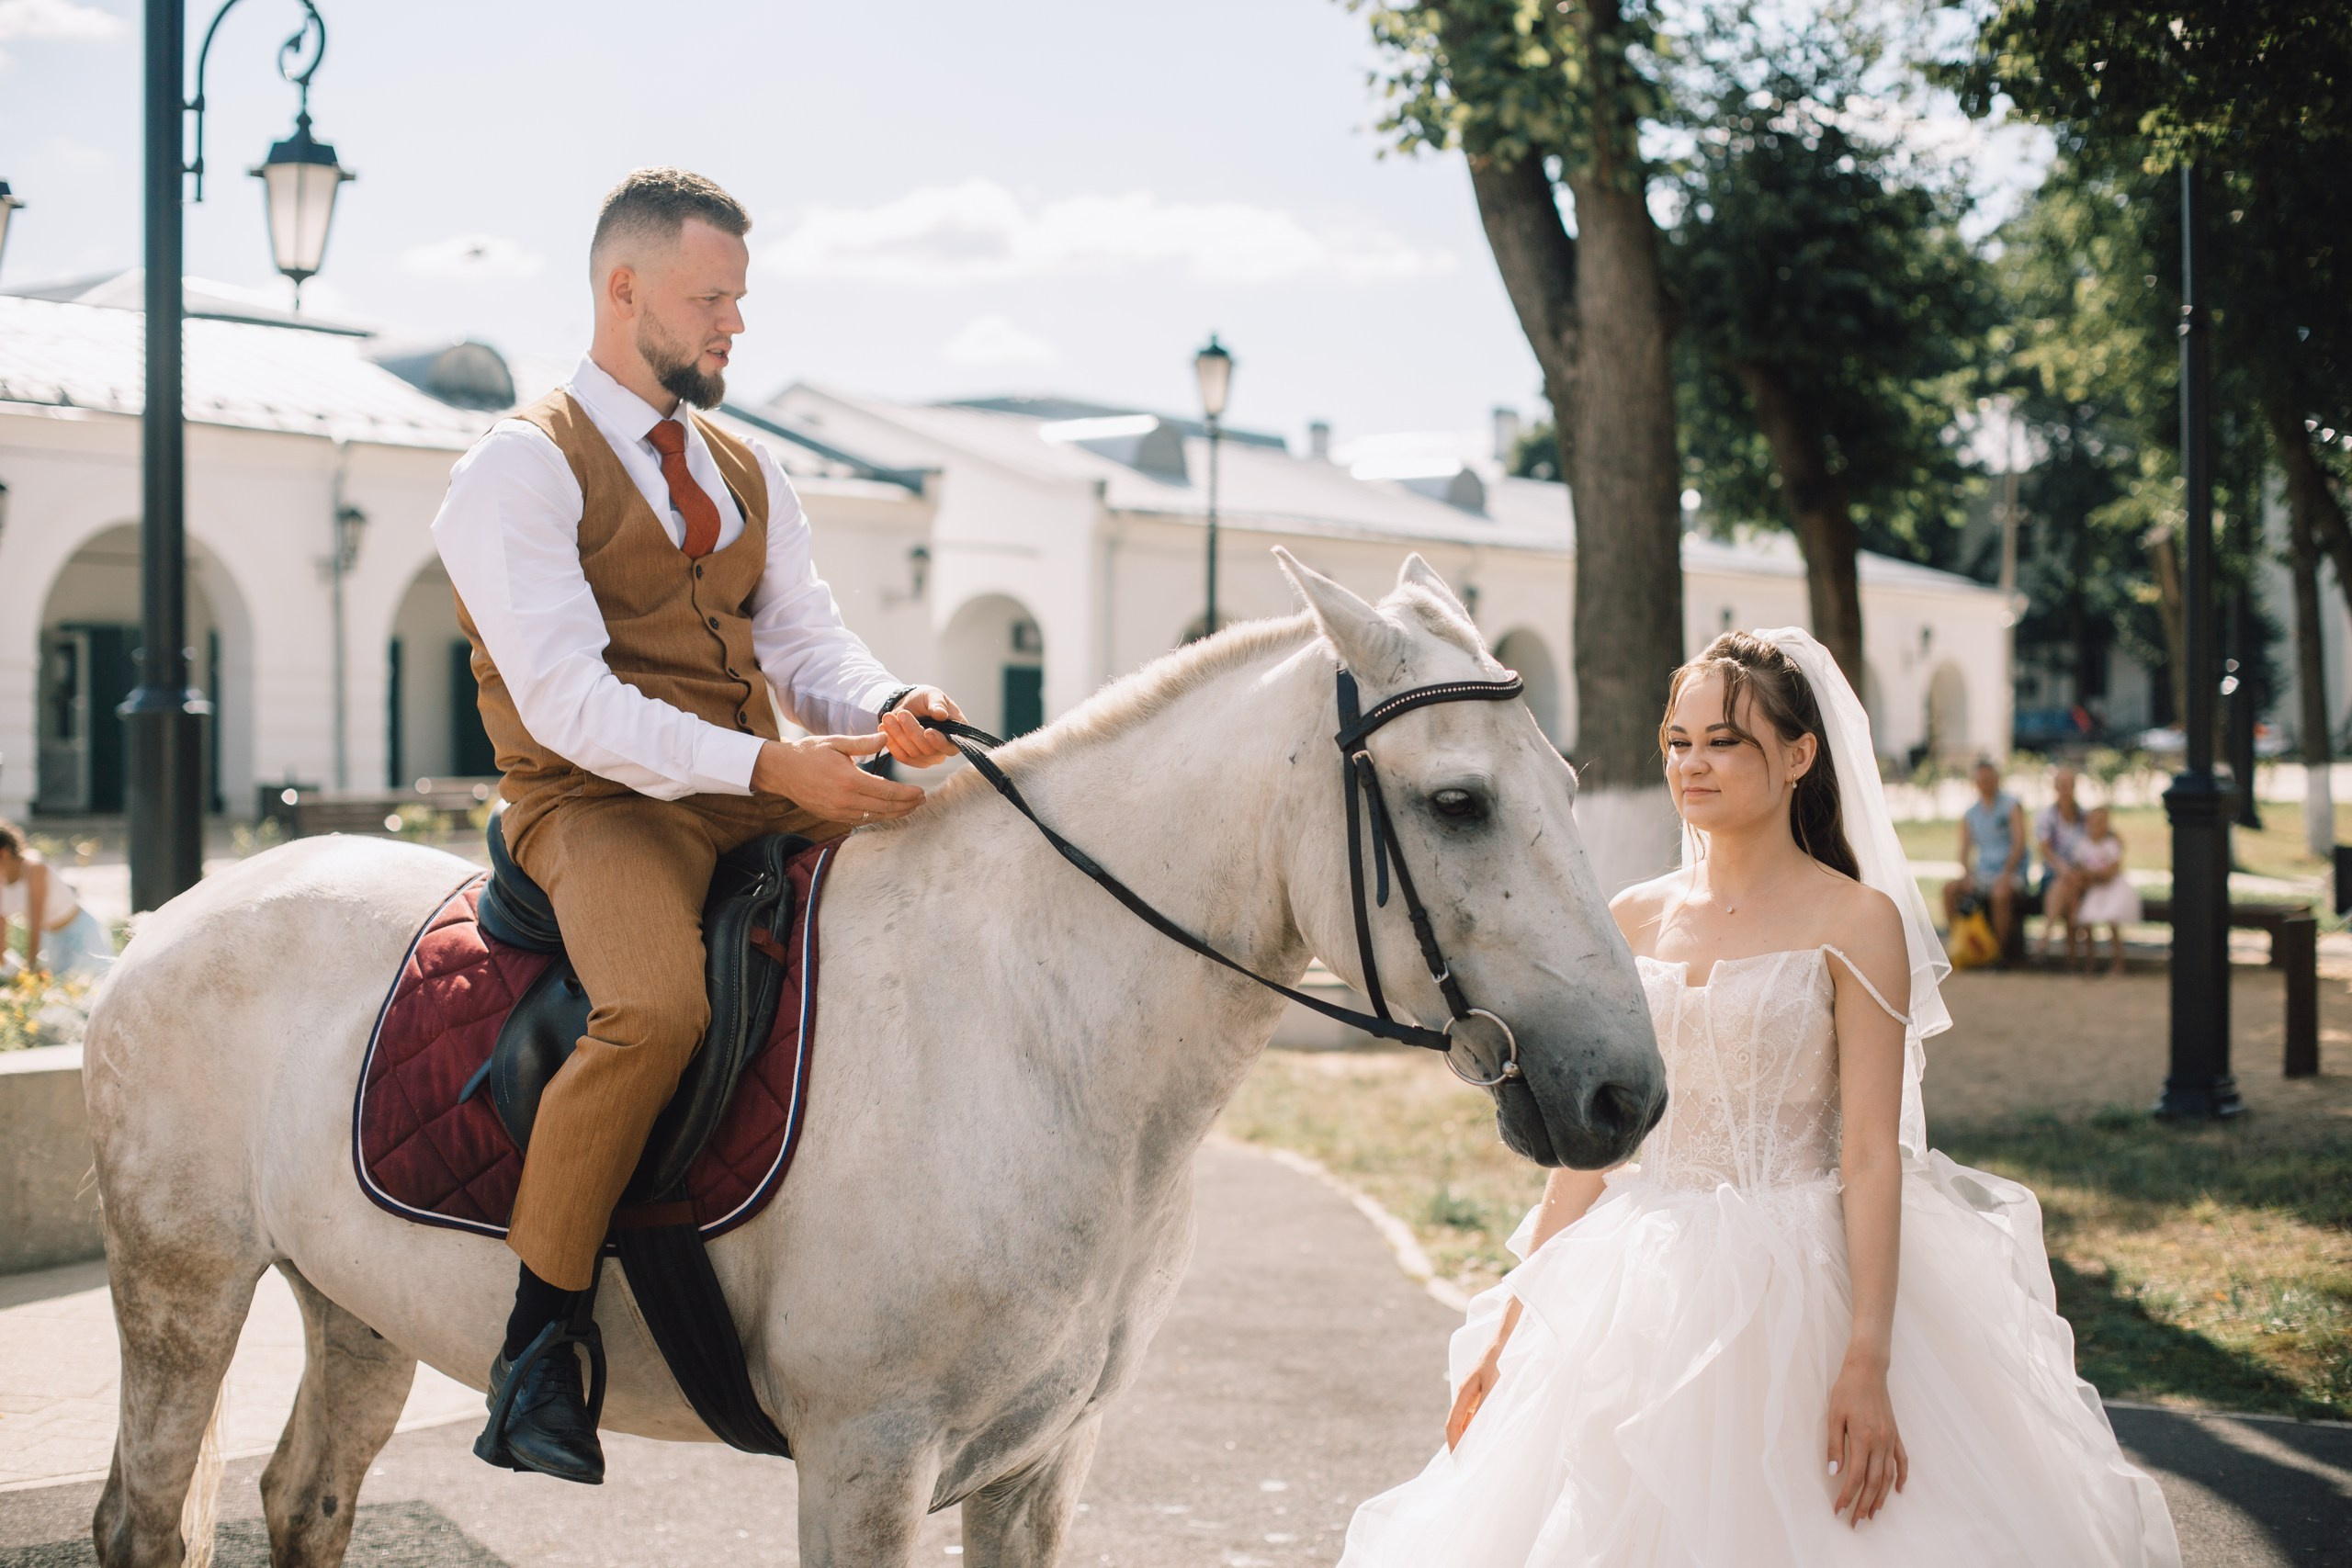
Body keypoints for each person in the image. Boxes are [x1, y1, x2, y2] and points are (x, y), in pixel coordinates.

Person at [1340, 630, 2178, 1567]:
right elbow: (1601, 1148)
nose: (1692, 763)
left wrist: (1867, 1356)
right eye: (1677, 739)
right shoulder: (1630, 918)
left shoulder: (1855, 922)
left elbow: (1868, 1154)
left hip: (1802, 1285)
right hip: (1642, 1282)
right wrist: (1514, 1319)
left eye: (1725, 741)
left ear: (1798, 756)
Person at [434, 167, 967, 1484]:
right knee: (657, 1008)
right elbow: (569, 705)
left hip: (747, 775)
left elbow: (805, 640)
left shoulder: (746, 463)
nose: (735, 323)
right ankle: (537, 1344)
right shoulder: (516, 465)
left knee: (962, 875)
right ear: (625, 292)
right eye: (709, 297)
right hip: (597, 800)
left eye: (739, 296)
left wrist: (893, 703)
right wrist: (776, 769)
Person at [0, 821, 114, 979]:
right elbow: (1, 923)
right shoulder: (2, 878)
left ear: (4, 852)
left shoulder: (34, 868)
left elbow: (36, 921)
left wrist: (31, 966)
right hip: (50, 939)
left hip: (79, 932)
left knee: (88, 987)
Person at [1942, 760, 2026, 960]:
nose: (1985, 784)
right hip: (1983, 872)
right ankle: (1959, 944)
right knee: (1950, 890)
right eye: (1981, 780)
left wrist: (2007, 873)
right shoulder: (1971, 813)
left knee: (2000, 894)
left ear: (1997, 780)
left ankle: (1998, 954)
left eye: (1988, 779)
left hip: (2010, 872)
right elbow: (1964, 849)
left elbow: (2019, 843)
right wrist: (1967, 875)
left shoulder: (2011, 806)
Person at [2069, 806, 2139, 976]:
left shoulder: (2111, 844)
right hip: (2095, 890)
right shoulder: (2083, 844)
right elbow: (2078, 869)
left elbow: (2111, 871)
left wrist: (2092, 873)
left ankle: (2118, 963)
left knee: (2112, 921)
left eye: (2101, 822)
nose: (2097, 826)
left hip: (2113, 889)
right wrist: (2092, 874)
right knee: (2087, 921)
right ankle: (2090, 963)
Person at [2035, 765, 2090, 958]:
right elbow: (2045, 849)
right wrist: (2064, 869)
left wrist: (2073, 871)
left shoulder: (2085, 817)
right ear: (2055, 788)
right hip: (2056, 875)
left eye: (2069, 785)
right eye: (2062, 785)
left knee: (2068, 883)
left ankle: (2046, 934)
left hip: (2080, 875)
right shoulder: (2047, 816)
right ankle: (2073, 953)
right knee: (2066, 885)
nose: (2065, 789)